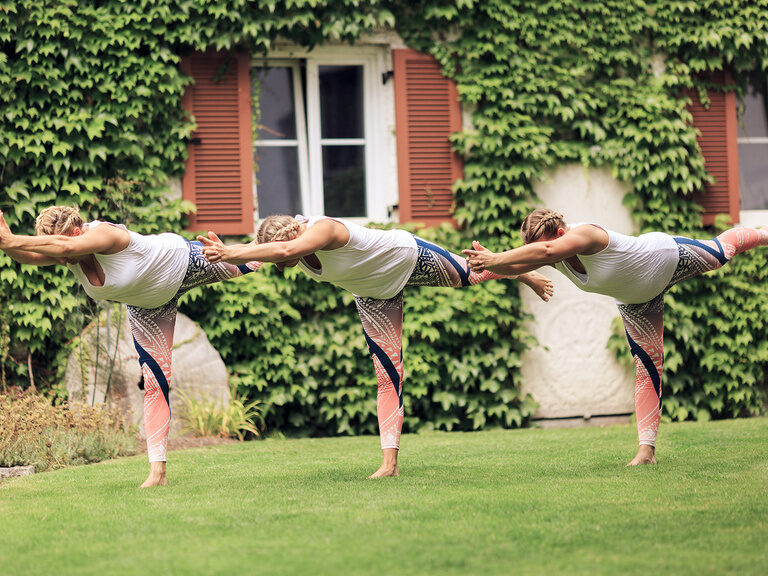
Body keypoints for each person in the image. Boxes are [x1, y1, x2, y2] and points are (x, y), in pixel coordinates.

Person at [197, 214, 554, 478]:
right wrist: (215, 256)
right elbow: (261, 257)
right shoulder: (284, 249)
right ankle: (389, 465)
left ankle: (524, 267)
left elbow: (287, 249)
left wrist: (231, 251)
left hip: (403, 256)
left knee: (470, 275)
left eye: (280, 260)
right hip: (372, 292)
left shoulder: (324, 229)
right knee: (387, 376)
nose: (281, 266)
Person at [463, 208, 768, 466]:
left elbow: (543, 252)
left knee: (719, 253)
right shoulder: (552, 253)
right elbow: (515, 264)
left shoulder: (586, 234)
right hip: (636, 300)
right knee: (648, 367)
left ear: (560, 234)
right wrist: (477, 266)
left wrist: (496, 258)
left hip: (662, 258)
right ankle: (646, 452)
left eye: (547, 245)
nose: (547, 254)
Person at [0, 206, 262, 487]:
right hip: (147, 307)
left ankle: (294, 236)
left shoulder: (105, 234)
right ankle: (157, 473)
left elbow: (64, 246)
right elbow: (27, 255)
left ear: (77, 231)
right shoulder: (68, 254)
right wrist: (6, 240)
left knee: (253, 259)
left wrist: (12, 239)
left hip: (181, 263)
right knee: (155, 384)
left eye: (63, 246)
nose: (60, 258)